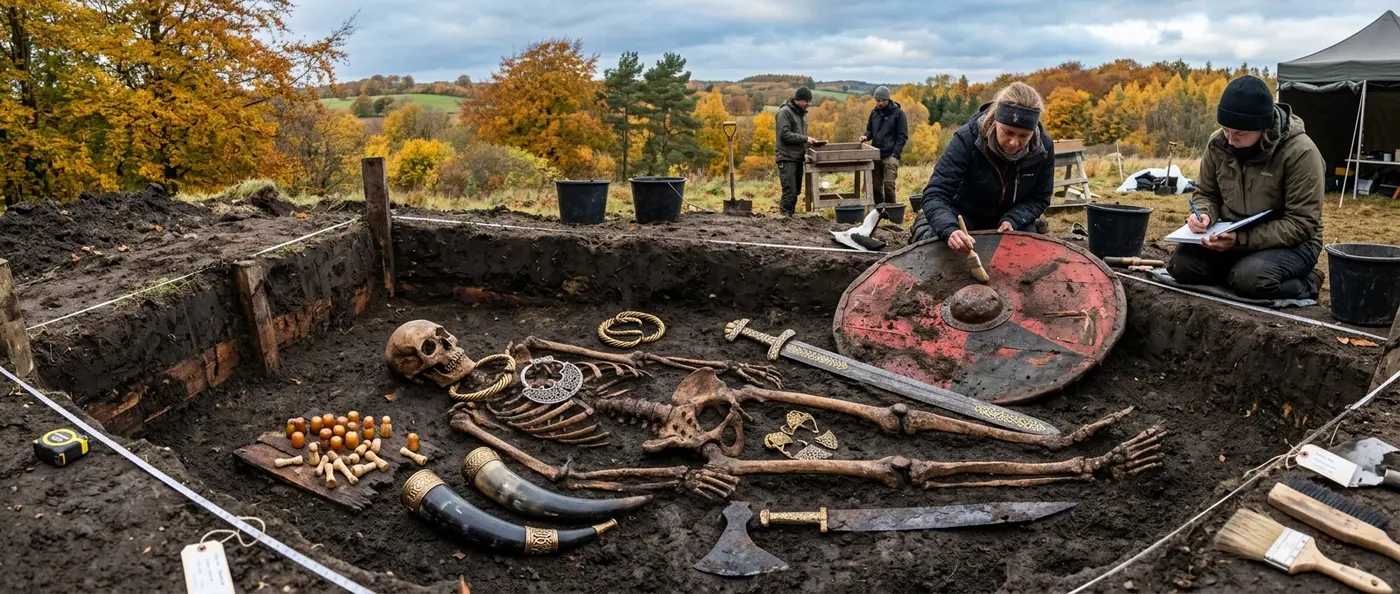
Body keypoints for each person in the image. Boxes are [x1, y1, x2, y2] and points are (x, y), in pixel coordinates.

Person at [1166, 75, 1324, 300]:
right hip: (1230, 235)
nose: (1231, 139)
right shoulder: (1217, 143)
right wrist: (1203, 215)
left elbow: (1302, 223)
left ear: (1263, 127)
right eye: (1226, 130)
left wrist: (1241, 240)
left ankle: (1309, 282)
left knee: (1251, 280)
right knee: (1181, 266)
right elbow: (1206, 193)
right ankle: (1237, 274)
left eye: (1240, 133)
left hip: (1291, 243)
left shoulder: (1301, 153)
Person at [911, 82, 1053, 252]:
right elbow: (935, 193)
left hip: (1009, 221)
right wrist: (949, 229)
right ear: (996, 121)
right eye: (1007, 132)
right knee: (934, 243)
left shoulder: (1044, 147)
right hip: (963, 216)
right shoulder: (967, 138)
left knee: (1028, 252)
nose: (1014, 142)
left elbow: (1040, 198)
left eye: (1024, 135)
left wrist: (1015, 219)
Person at [775, 86, 824, 216]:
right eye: (806, 101)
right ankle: (785, 217)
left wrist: (810, 144)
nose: (809, 104)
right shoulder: (784, 112)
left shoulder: (801, 114)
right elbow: (784, 135)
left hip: (797, 157)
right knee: (789, 190)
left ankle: (790, 215)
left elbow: (799, 136)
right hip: (786, 157)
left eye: (810, 101)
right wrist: (806, 139)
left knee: (796, 190)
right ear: (798, 100)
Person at [859, 86, 908, 205]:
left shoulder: (898, 114)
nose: (879, 103)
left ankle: (892, 210)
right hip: (876, 155)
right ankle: (879, 210)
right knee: (875, 187)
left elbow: (902, 136)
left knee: (888, 186)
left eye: (881, 101)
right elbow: (870, 130)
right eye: (877, 100)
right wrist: (865, 136)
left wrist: (895, 155)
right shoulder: (874, 113)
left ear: (887, 100)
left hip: (890, 155)